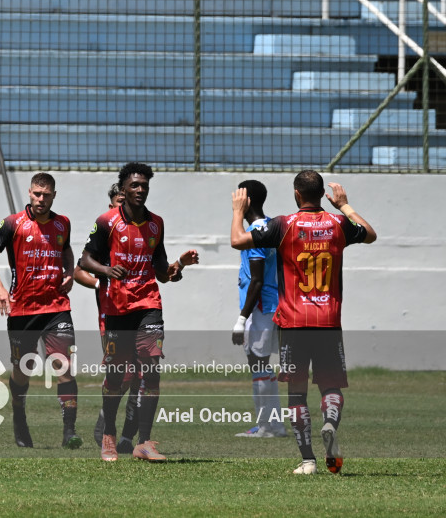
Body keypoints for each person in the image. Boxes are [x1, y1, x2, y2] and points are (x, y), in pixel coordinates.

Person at [230, 170, 376, 475]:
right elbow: (370, 233)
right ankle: (330, 423)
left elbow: (238, 240)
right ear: (323, 194)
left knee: (296, 393)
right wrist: (345, 206)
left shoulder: (283, 224)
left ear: (297, 194)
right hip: (328, 321)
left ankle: (308, 460)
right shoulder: (338, 224)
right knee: (331, 386)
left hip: (294, 322)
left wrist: (237, 212)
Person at [80, 163, 199, 462]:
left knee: (152, 369)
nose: (140, 190)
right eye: (134, 185)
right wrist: (106, 270)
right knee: (117, 375)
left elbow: (161, 273)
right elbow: (84, 260)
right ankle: (108, 434)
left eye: (144, 185)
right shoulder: (106, 222)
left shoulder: (156, 223)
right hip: (116, 307)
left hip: (148, 303)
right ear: (123, 190)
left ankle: (144, 442)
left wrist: (180, 265)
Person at [0, 172, 82, 449]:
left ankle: (69, 432)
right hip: (22, 310)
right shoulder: (12, 223)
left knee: (64, 366)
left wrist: (69, 272)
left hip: (56, 307)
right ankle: (19, 417)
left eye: (46, 195)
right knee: (22, 370)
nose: (41, 199)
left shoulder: (63, 224)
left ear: (53, 196)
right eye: (37, 194)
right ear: (29, 193)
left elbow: (67, 250)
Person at [74, 183, 140, 453]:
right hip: (111, 316)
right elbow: (79, 269)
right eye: (117, 201)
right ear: (112, 204)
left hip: (140, 313)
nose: (121, 205)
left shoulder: (141, 230)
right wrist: (102, 281)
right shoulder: (106, 231)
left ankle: (126, 439)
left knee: (141, 374)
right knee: (121, 375)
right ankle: (106, 420)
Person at [231, 180, 286, 438]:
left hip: (261, 307)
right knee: (261, 365)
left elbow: (257, 279)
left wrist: (241, 319)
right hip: (270, 304)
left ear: (247, 200)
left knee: (259, 363)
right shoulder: (271, 225)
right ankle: (272, 424)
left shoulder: (256, 230)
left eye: (238, 196)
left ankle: (267, 427)